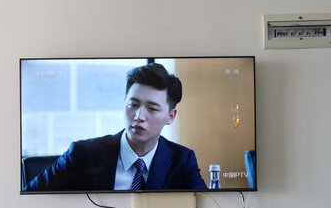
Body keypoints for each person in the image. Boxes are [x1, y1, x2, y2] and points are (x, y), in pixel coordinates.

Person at [23, 63, 207, 191]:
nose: (139, 116)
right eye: (133, 104)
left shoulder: (182, 160)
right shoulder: (82, 154)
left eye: (152, 108)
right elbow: (30, 197)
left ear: (170, 116)